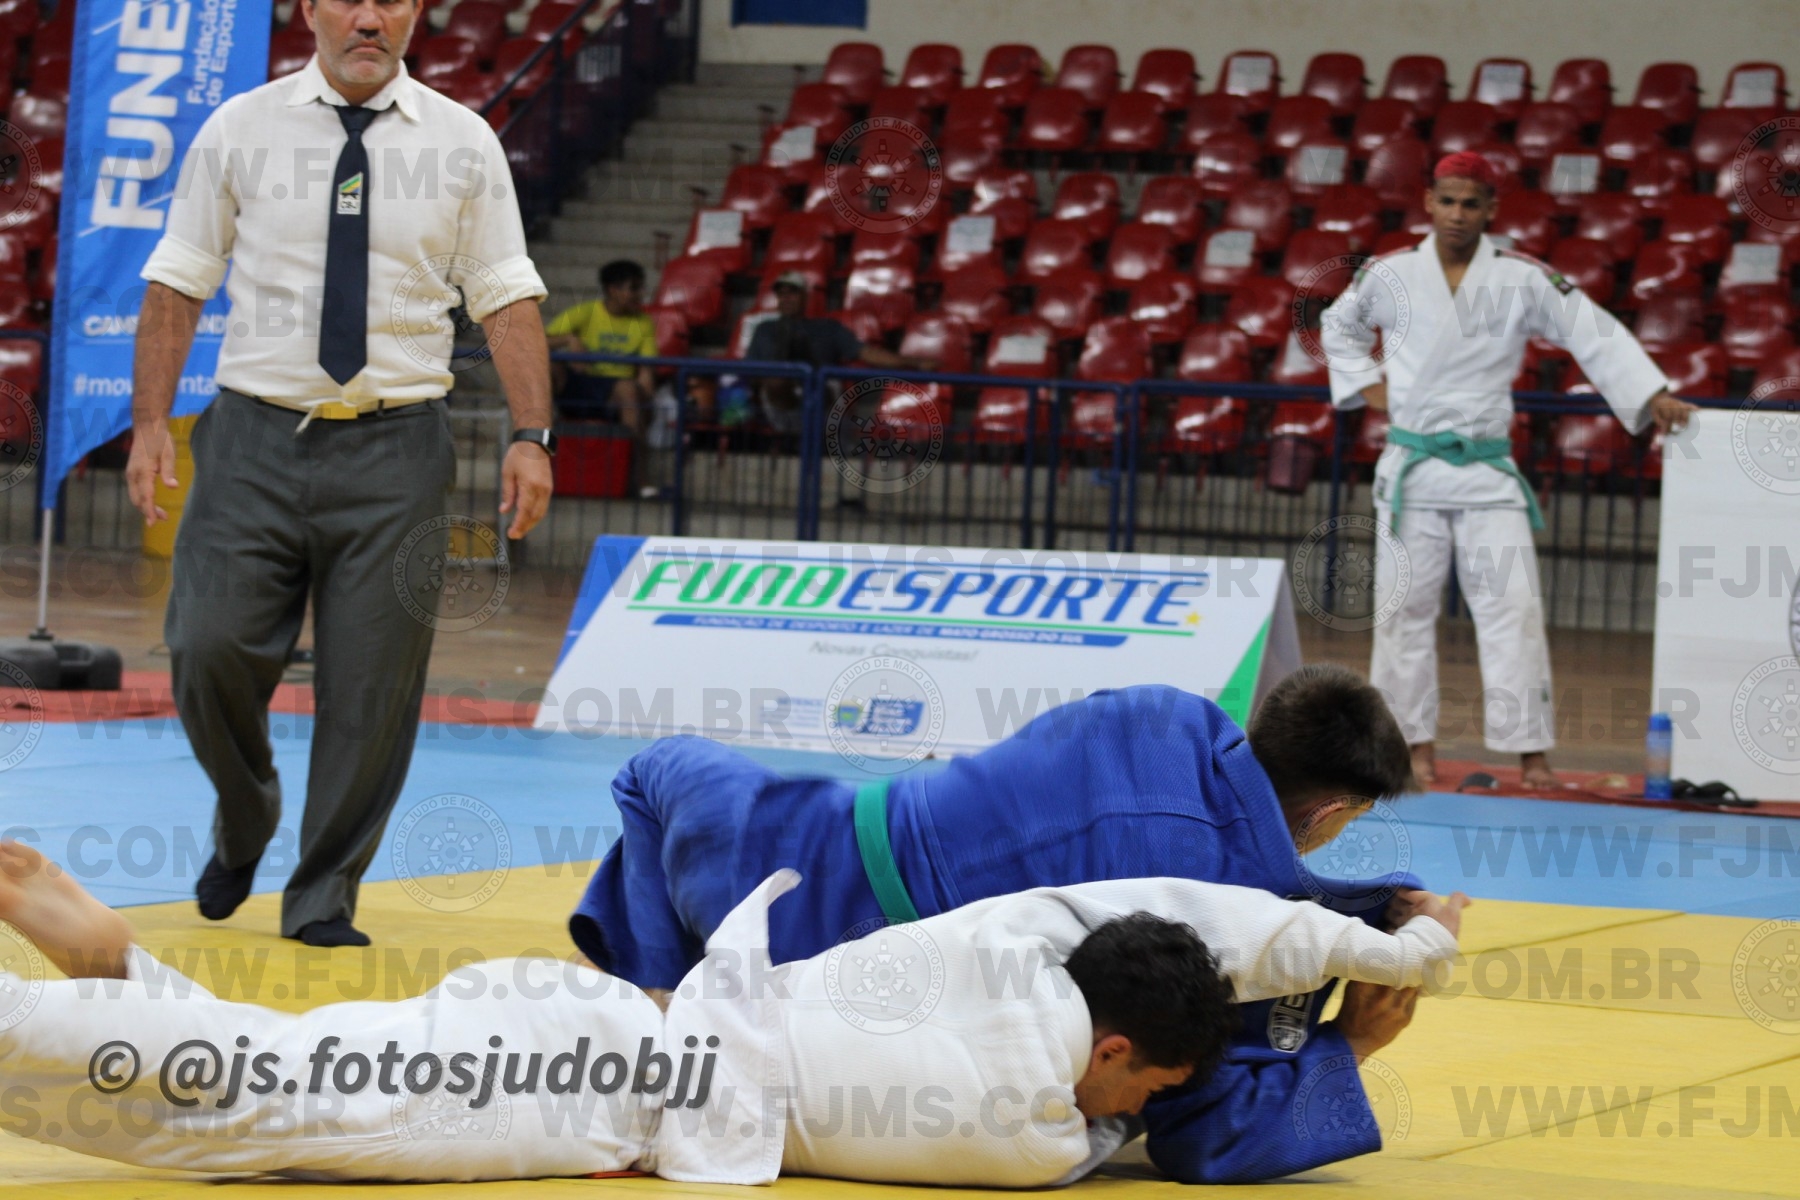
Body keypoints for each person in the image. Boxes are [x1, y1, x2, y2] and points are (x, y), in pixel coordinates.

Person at [0, 838, 1465, 1185]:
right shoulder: (1028, 1130)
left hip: (584, 1029)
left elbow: (1185, 914)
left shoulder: (1013, 943)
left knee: (275, 1074)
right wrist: (1355, 1025)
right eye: (1146, 1089)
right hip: (566, 1077)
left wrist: (1393, 948)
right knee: (245, 1110)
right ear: (1118, 1046)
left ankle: (103, 954)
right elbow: (1125, 1140)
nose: (1138, 1118)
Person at [569, 665, 1431, 1181]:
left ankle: (657, 989)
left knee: (654, 774)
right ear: (1329, 811)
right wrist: (1349, 1042)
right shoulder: (1229, 905)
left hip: (754, 828)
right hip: (822, 946)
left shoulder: (1168, 714)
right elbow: (1203, 1128)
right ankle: (668, 1027)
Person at [124, 0, 555, 948]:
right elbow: (179, 277)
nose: (369, 17)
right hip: (250, 439)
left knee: (373, 688)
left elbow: (505, 294)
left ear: (417, 13)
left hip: (399, 448)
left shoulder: (464, 141)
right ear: (308, 9)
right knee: (204, 645)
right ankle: (247, 811)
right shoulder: (240, 126)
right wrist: (150, 422)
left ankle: (323, 893)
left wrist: (533, 434)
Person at [1321, 152, 1698, 788]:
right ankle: (1412, 744)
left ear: (1491, 209)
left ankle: (1530, 752)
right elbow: (1338, 326)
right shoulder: (1390, 273)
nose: (1457, 214)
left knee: (1511, 610)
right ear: (1429, 202)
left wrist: (1651, 393)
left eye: (1471, 203)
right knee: (1402, 612)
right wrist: (1366, 386)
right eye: (1447, 201)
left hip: (1487, 473)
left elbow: (1593, 330)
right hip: (1413, 468)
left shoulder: (1522, 277)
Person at [745, 272, 934, 434]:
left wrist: (915, 362)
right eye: (782, 294)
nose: (786, 298)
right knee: (777, 382)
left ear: (805, 296)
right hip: (778, 399)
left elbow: (866, 352)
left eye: (792, 293)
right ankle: (792, 437)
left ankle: (805, 437)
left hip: (821, 390)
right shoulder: (764, 329)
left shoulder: (827, 327)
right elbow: (750, 370)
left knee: (818, 386)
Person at [546, 259, 659, 435]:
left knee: (628, 390)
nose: (641, 294)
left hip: (617, 390)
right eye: (634, 288)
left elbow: (646, 372)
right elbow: (538, 341)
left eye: (641, 288)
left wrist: (646, 402)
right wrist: (569, 339)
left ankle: (631, 449)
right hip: (580, 383)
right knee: (547, 365)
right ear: (613, 290)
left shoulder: (644, 322)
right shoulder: (585, 312)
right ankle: (538, 436)